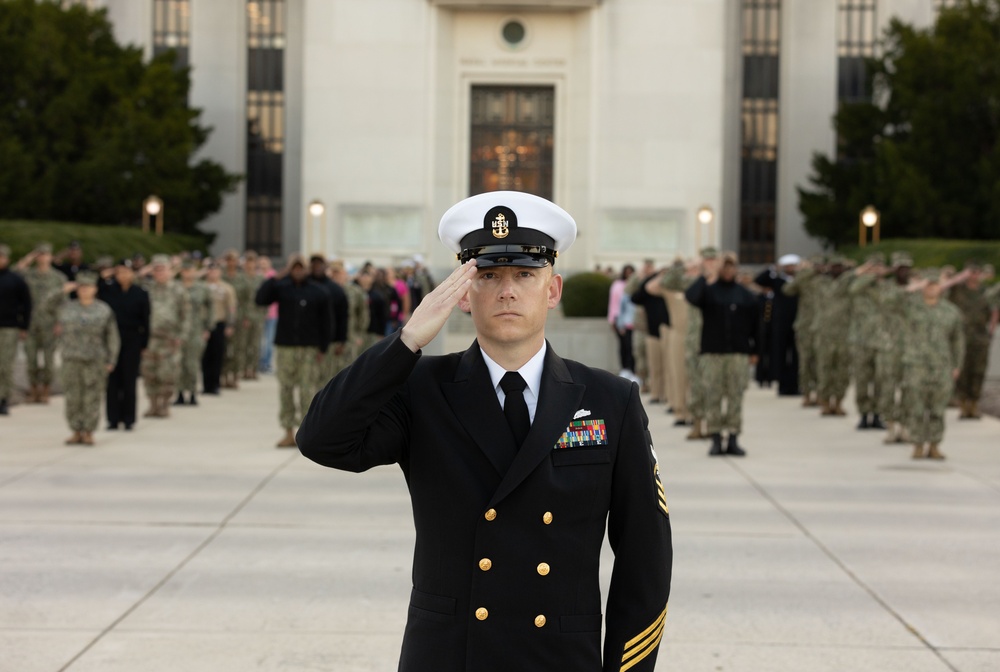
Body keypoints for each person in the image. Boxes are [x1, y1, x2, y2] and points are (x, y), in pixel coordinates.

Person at [296, 191, 672, 672]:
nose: (506, 291)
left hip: (559, 658)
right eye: (487, 276)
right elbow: (322, 440)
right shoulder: (422, 389)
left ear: (552, 290)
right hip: (451, 655)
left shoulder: (608, 400)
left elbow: (646, 556)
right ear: (463, 295)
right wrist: (408, 339)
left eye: (525, 275)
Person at [685, 251, 759, 456]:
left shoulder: (744, 294)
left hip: (737, 354)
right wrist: (704, 274)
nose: (728, 271)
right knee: (713, 396)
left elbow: (755, 326)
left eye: (731, 267)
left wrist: (755, 351)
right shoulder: (709, 291)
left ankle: (733, 438)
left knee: (735, 396)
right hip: (712, 354)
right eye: (724, 267)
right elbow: (691, 297)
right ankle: (716, 437)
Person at [255, 254, 332, 448]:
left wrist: (323, 347)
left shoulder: (318, 291)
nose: (298, 271)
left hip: (309, 349)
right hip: (286, 348)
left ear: (306, 269)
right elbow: (261, 298)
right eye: (294, 268)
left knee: (308, 391)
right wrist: (277, 277)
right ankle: (288, 431)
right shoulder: (282, 288)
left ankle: (306, 434)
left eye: (301, 268)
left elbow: (326, 322)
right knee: (286, 390)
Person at [900, 271, 965, 460]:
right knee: (916, 407)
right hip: (916, 365)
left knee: (938, 408)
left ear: (940, 288)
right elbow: (890, 302)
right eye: (928, 285)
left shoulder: (950, 311)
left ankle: (935, 445)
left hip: (941, 366)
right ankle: (918, 444)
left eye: (935, 285)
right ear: (923, 287)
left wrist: (957, 365)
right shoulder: (910, 307)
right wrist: (911, 288)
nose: (931, 289)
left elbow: (957, 341)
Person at [51, 272, 120, 445]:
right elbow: (45, 306)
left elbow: (112, 336)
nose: (84, 290)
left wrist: (111, 359)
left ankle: (89, 431)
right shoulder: (66, 307)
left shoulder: (103, 310)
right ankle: (76, 430)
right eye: (81, 287)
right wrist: (62, 291)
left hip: (95, 359)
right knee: (73, 397)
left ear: (95, 289)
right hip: (71, 359)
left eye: (88, 287)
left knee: (93, 397)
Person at [98, 259, 150, 430]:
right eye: (119, 272)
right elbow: (94, 293)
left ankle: (129, 419)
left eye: (127, 271)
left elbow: (146, 320)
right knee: (112, 381)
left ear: (132, 274)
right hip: (111, 340)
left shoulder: (140, 293)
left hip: (132, 339)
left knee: (129, 380)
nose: (123, 275)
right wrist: (102, 277)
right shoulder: (108, 291)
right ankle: (113, 419)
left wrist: (144, 344)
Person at [15, 243, 68, 403]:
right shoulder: (29, 275)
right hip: (30, 323)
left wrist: (60, 322)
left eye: (45, 254)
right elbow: (14, 272)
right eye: (40, 255)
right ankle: (33, 390)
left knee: (48, 360)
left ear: (51, 256)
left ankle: (46, 390)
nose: (43, 258)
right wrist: (29, 257)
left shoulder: (58, 278)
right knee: (31, 359)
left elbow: (63, 302)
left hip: (50, 323)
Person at [141, 255, 191, 418]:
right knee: (149, 373)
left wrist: (181, 336)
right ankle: (153, 405)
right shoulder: (146, 288)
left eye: (163, 269)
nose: (160, 272)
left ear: (170, 271)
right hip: (150, 339)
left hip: (170, 339)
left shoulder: (178, 289)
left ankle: (164, 404)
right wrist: (144, 271)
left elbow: (186, 315)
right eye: (156, 269)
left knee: (168, 374)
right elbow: (130, 280)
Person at [948, 263, 998, 419]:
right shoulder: (957, 290)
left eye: (977, 272)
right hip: (961, 336)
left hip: (980, 335)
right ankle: (963, 404)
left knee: (978, 371)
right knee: (961, 370)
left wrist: (992, 329)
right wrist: (959, 277)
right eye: (971, 272)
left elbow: (994, 309)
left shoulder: (985, 292)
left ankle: (974, 403)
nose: (974, 276)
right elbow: (942, 287)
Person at [753, 254, 800, 396]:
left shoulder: (800, 281)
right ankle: (782, 385)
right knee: (780, 354)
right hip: (781, 323)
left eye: (792, 266)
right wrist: (773, 268)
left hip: (799, 322)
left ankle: (795, 385)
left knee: (797, 356)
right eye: (787, 266)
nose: (790, 268)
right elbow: (759, 280)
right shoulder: (777, 280)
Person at [0, 244, 32, 416]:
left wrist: (24, 326)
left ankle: (3, 399)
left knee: (5, 365)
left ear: (7, 258)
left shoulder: (15, 280)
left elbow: (26, 304)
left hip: (9, 328)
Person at [177, 261, 213, 406]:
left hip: (196, 329)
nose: (188, 273)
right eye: (185, 270)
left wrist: (208, 327)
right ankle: (179, 393)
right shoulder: (176, 287)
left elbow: (211, 307)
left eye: (190, 270)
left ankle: (192, 393)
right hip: (178, 330)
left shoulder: (202, 287)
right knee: (178, 363)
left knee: (192, 363)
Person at [201, 264, 237, 395]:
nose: (212, 273)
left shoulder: (226, 288)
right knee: (205, 356)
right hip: (203, 325)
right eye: (210, 270)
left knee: (217, 355)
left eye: (215, 270)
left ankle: (215, 384)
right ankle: (206, 385)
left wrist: (230, 325)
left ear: (220, 272)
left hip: (219, 323)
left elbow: (231, 308)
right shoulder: (202, 287)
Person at [607, 264, 635, 375]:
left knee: (632, 347)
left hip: (634, 321)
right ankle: (625, 368)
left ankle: (633, 370)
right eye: (627, 272)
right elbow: (613, 303)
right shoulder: (617, 285)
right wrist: (612, 320)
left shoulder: (634, 285)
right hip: (621, 320)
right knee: (624, 345)